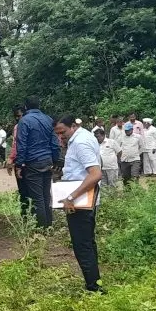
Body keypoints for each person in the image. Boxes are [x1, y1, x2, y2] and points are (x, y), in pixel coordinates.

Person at [53, 117, 103, 292]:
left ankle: (94, 288)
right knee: (87, 243)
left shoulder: (80, 143)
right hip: (83, 200)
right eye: (57, 134)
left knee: (82, 245)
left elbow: (95, 174)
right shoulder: (81, 138)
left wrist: (72, 197)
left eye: (63, 132)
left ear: (73, 126)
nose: (61, 137)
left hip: (80, 202)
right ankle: (95, 282)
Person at [13, 96, 60, 228]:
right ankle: (48, 225)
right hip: (47, 161)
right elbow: (55, 143)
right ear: (39, 105)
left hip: (33, 162)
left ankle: (42, 229)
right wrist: (55, 160)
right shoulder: (48, 119)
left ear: (26, 107)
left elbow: (21, 145)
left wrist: (19, 165)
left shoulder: (24, 121)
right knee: (46, 195)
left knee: (37, 198)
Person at [7, 108, 28, 220]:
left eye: (19, 116)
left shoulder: (19, 127)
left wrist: (11, 160)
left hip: (23, 163)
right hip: (31, 162)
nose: (18, 119)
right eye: (16, 117)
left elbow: (17, 146)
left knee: (24, 191)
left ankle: (25, 216)